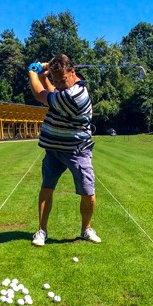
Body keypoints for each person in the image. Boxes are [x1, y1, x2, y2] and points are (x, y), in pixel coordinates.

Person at [28, 54, 101, 247]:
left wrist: (32, 72)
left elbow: (41, 95)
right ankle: (42, 231)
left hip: (77, 150)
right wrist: (45, 76)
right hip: (54, 149)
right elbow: (55, 93)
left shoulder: (76, 95)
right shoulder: (65, 90)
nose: (59, 84)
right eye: (56, 80)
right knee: (47, 187)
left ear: (72, 72)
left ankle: (86, 229)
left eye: (62, 80)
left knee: (88, 191)